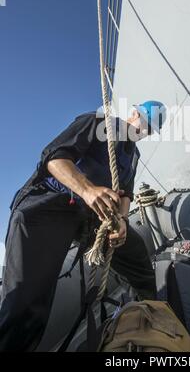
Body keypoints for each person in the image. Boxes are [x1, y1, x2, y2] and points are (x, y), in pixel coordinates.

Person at [0, 100, 166, 351]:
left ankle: (153, 312)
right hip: (46, 209)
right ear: (134, 113)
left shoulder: (133, 155)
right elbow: (54, 158)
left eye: (150, 129)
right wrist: (88, 190)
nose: (144, 130)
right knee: (27, 305)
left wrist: (121, 220)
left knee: (137, 255)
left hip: (88, 217)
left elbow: (125, 195)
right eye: (144, 121)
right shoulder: (98, 123)